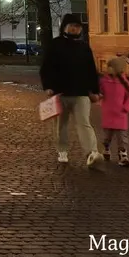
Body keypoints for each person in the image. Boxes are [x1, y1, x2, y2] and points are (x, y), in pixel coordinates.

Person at [40, 13, 104, 169]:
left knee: (84, 123)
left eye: (78, 27)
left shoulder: (84, 47)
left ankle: (92, 153)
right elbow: (46, 67)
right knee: (61, 125)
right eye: (72, 26)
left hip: (81, 92)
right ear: (65, 27)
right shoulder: (55, 44)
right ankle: (62, 150)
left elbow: (91, 70)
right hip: (60, 92)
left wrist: (94, 90)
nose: (75, 29)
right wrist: (48, 86)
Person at [99, 57, 129, 168]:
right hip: (108, 113)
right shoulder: (103, 81)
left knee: (122, 137)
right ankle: (106, 148)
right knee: (107, 136)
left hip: (121, 114)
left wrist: (126, 108)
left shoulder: (124, 82)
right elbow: (99, 93)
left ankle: (123, 155)